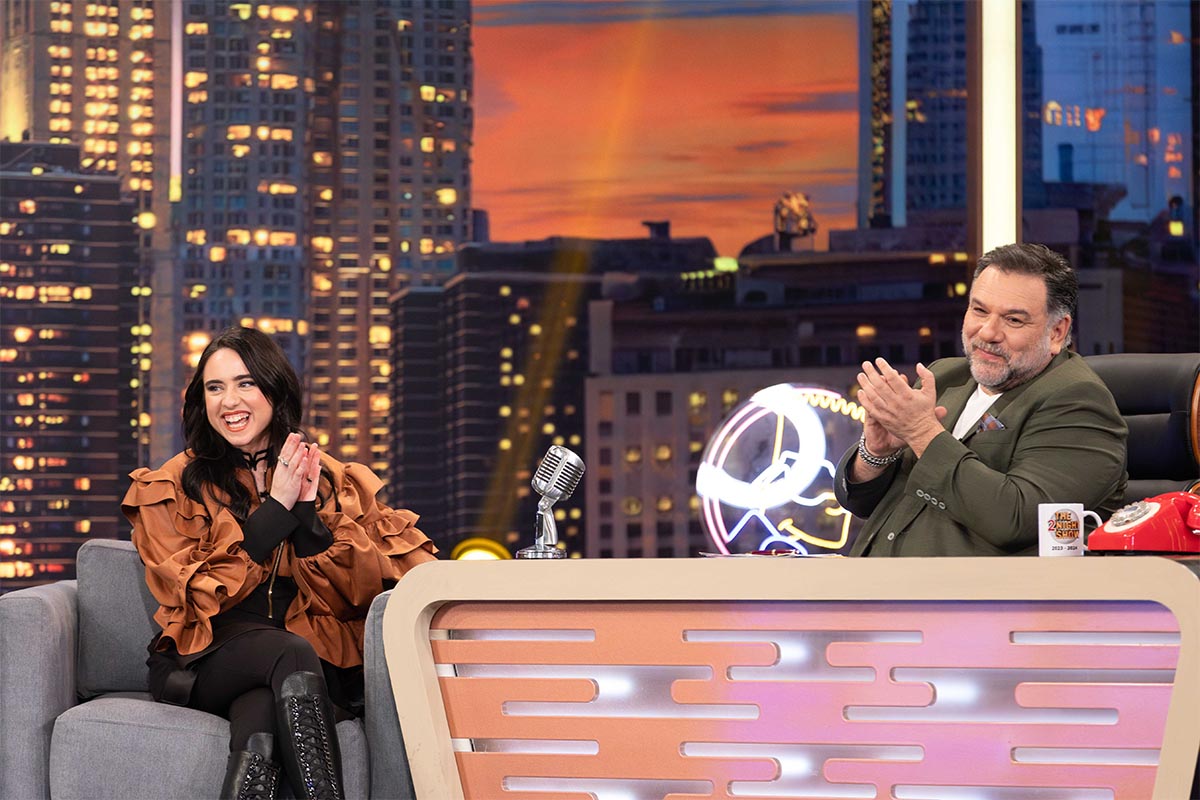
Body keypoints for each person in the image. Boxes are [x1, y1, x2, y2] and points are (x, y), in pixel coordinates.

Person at [121, 326, 437, 800]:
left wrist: (306, 515)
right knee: (290, 652)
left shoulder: (332, 479)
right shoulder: (173, 484)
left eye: (245, 383)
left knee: (262, 717)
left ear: (274, 388)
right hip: (206, 656)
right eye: (215, 387)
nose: (229, 401)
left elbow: (364, 595)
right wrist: (275, 510)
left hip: (304, 664)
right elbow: (191, 593)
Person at [833, 242, 1128, 557]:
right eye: (979, 311)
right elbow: (859, 502)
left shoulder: (1079, 402)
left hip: (975, 588)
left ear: (1056, 332)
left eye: (1013, 320)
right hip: (873, 578)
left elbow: (1016, 520)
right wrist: (875, 454)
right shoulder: (944, 377)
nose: (987, 332)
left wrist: (921, 433)